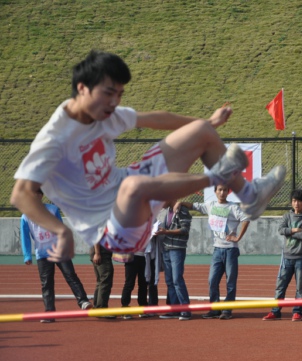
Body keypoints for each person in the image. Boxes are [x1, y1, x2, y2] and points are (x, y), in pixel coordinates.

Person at [11, 50, 285, 265]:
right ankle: (218, 176)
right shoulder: (54, 139)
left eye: (119, 95)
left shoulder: (104, 113)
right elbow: (20, 194)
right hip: (114, 228)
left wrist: (209, 120)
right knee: (133, 185)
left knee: (201, 130)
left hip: (133, 185)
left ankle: (249, 196)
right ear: (82, 88)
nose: (114, 103)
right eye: (109, 93)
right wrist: (61, 231)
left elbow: (155, 118)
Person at [177, 185, 250, 320]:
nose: (222, 193)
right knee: (212, 280)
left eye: (225, 190)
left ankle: (227, 310)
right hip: (217, 249)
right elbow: (193, 205)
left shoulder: (233, 207)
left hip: (230, 249)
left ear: (228, 192)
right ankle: (215, 308)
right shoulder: (210, 205)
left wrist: (238, 237)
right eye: (219, 190)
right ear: (215, 191)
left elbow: (246, 219)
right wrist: (181, 202)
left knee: (231, 282)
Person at [20, 189, 92, 322]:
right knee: (46, 283)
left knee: (70, 275)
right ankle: (49, 313)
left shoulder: (52, 210)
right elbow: (25, 237)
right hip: (42, 254)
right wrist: (27, 256)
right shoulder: (26, 216)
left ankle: (83, 301)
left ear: (41, 196)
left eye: (36, 195)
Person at [263, 189, 302, 321]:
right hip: (286, 258)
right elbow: (281, 230)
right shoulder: (287, 216)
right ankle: (275, 311)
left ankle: (297, 312)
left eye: (299, 201)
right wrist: (293, 230)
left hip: (301, 258)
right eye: (294, 201)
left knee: (300, 288)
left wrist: (288, 232)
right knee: (280, 286)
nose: (296, 204)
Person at [156, 201, 192, 321]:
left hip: (177, 249)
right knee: (170, 281)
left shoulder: (182, 210)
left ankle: (185, 310)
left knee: (177, 279)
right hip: (166, 248)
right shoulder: (167, 211)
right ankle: (174, 309)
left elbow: (185, 229)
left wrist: (166, 232)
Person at [120, 253, 149, 319]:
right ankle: (125, 307)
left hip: (144, 257)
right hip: (131, 257)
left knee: (143, 284)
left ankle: (143, 306)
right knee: (129, 284)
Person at [90, 243, 115, 317]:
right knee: (105, 280)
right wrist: (97, 253)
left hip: (100, 252)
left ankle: (97, 307)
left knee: (100, 281)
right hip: (101, 253)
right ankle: (101, 309)